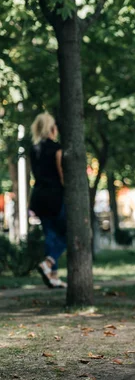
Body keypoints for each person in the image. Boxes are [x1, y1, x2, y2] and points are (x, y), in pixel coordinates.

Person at [29, 112, 67, 289]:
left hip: (38, 197)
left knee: (50, 234)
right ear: (52, 128)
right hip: (55, 196)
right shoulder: (57, 149)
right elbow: (61, 176)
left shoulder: (34, 149)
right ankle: (49, 263)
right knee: (68, 232)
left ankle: (53, 276)